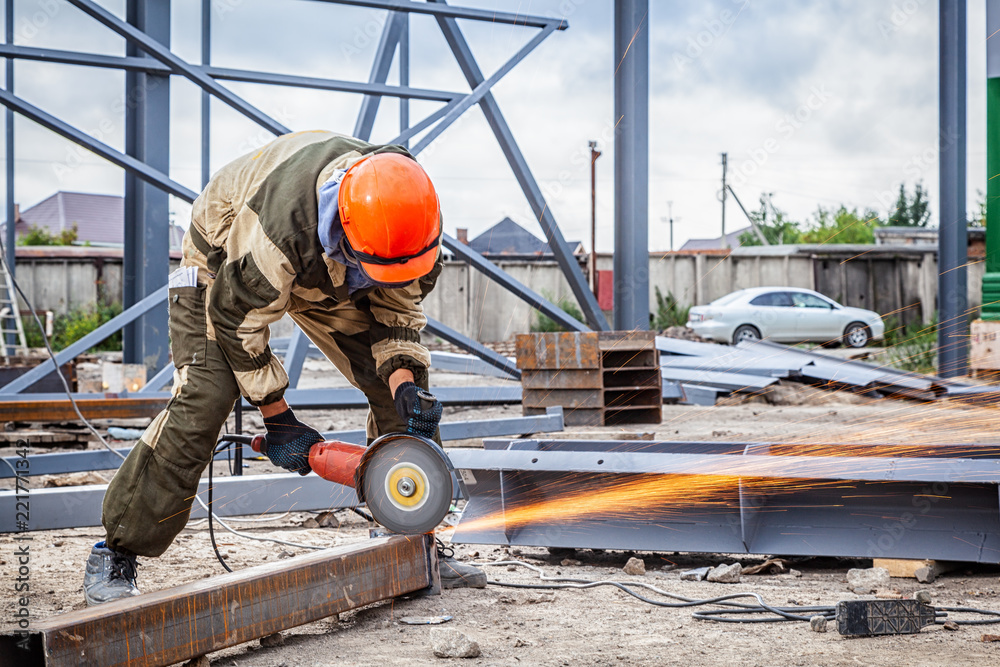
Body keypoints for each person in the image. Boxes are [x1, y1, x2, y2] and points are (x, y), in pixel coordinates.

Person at [83, 130, 485, 605]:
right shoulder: (280, 232)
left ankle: (419, 541)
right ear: (350, 233)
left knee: (408, 392)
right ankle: (116, 550)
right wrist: (279, 421)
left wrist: (402, 388)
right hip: (226, 272)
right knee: (206, 398)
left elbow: (395, 315)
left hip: (336, 274)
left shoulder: (407, 221)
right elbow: (237, 321)